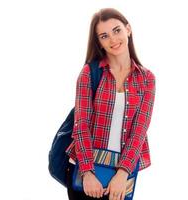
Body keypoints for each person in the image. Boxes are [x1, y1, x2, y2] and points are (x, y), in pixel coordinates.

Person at [65, 8, 156, 200]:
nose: (113, 40)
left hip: (121, 176)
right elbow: (81, 125)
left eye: (117, 30)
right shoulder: (89, 73)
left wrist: (122, 173)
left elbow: (139, 131)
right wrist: (87, 172)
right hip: (87, 174)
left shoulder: (147, 79)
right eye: (104, 36)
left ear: (128, 29)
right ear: (99, 42)